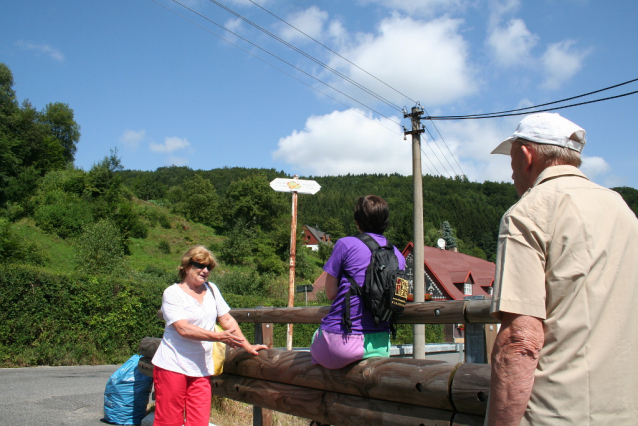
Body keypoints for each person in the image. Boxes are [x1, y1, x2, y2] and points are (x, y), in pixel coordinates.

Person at [486, 112, 638, 425]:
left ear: (526, 156)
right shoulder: (622, 209)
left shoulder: (527, 213)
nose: (511, 175)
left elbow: (519, 341)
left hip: (555, 413)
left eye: (511, 161)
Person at [152, 245, 267, 426]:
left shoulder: (211, 289)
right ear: (186, 266)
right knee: (169, 421)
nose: (205, 270)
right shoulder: (172, 293)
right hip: (172, 366)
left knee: (199, 422)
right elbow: (183, 328)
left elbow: (227, 320)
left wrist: (247, 346)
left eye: (209, 267)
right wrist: (217, 337)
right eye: (199, 265)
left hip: (201, 368)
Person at [310, 195, 405, 369]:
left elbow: (331, 294)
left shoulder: (345, 244)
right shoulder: (398, 256)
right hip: (381, 344)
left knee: (315, 346)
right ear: (386, 222)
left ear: (357, 222)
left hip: (340, 343)